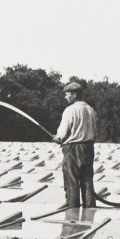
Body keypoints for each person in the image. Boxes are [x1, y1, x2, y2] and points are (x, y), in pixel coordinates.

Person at [52, 80, 97, 208]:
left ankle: (72, 212)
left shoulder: (70, 110)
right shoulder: (91, 110)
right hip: (88, 148)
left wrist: (57, 138)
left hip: (73, 149)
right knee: (87, 181)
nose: (65, 96)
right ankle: (89, 212)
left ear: (75, 94)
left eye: (67, 94)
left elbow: (62, 134)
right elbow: (95, 131)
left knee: (72, 181)